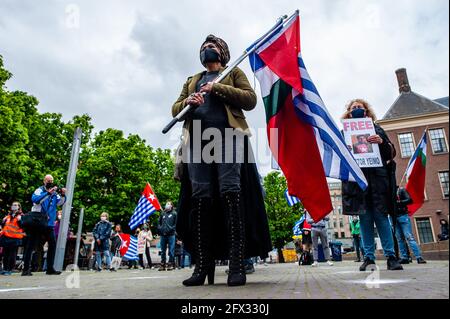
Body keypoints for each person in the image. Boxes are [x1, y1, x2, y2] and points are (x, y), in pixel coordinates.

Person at [172, 34, 272, 287]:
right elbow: (175, 110)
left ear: (223, 53)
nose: (207, 50)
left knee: (231, 194)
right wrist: (188, 101)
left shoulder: (233, 72)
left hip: (227, 136)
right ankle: (203, 265)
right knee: (201, 199)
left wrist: (216, 87)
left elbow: (249, 100)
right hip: (197, 141)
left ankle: (237, 264)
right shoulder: (192, 80)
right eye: (204, 47)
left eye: (212, 46)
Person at [342, 99, 403, 271]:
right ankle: (369, 257)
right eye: (353, 108)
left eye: (359, 107)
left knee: (381, 218)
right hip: (359, 183)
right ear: (348, 113)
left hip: (378, 181)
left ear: (366, 111)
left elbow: (391, 153)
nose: (356, 110)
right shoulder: (344, 132)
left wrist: (382, 142)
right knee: (364, 219)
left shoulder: (376, 129)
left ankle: (391, 256)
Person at [22, 175, 66, 276]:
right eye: (48, 180)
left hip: (48, 223)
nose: (50, 182)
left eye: (52, 180)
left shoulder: (55, 193)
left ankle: (50, 268)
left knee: (52, 244)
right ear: (44, 181)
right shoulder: (39, 190)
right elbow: (35, 200)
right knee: (31, 245)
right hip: (37, 221)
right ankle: (26, 269)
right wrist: (47, 193)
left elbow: (60, 203)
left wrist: (63, 195)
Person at [392, 187, 426, 264]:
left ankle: (419, 257)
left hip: (403, 215)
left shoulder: (401, 190)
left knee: (409, 237)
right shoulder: (387, 193)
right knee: (399, 239)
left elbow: (410, 200)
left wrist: (398, 202)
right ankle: (404, 257)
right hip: (393, 218)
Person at [0, 202, 25, 275]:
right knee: (5, 254)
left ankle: (10, 269)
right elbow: (3, 226)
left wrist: (20, 220)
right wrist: (3, 221)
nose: (14, 206)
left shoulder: (21, 216)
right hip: (6, 237)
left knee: (12, 254)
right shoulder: (8, 216)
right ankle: (5, 269)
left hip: (15, 238)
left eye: (16, 205)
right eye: (13, 205)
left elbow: (23, 226)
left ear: (19, 207)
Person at [158, 202, 177, 271]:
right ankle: (163, 264)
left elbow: (176, 224)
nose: (167, 205)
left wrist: (170, 229)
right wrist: (160, 229)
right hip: (163, 235)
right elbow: (159, 223)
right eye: (167, 203)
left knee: (171, 250)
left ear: (171, 205)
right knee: (163, 251)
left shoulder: (174, 213)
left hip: (171, 235)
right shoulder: (163, 213)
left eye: (169, 203)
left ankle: (171, 264)